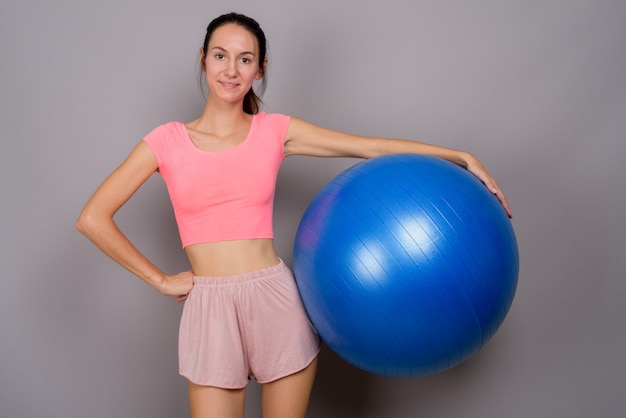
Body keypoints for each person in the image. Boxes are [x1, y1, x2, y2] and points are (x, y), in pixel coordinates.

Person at [75, 12, 512, 418]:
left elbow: (370, 148)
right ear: (204, 59)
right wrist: (161, 280)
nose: (231, 70)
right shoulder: (166, 141)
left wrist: (459, 155)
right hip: (209, 308)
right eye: (220, 56)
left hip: (276, 304)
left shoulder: (274, 132)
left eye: (244, 59)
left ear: (260, 68)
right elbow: (93, 217)